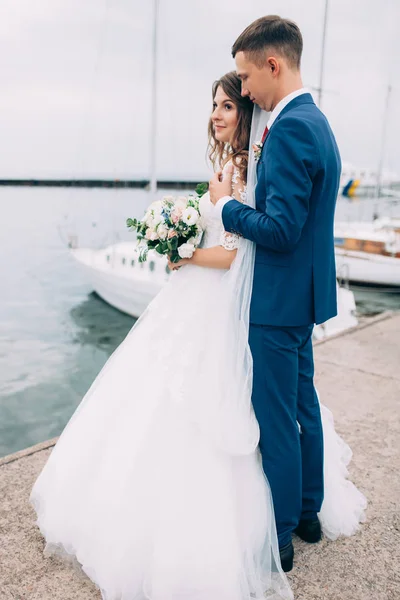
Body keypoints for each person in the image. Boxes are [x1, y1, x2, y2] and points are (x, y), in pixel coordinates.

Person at [29, 71, 295, 600]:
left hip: (213, 303)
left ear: (246, 112)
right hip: (193, 296)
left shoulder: (244, 169)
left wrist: (186, 252)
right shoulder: (225, 164)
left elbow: (237, 255)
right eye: (213, 105)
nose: (217, 114)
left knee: (192, 401)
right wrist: (181, 230)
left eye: (227, 106)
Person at [209, 15, 365, 571]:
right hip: (302, 295)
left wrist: (226, 209)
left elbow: (281, 230)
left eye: (246, 77)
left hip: (277, 301)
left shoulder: (294, 126)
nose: (243, 89)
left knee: (276, 415)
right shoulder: (311, 118)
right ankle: (307, 512)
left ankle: (279, 533)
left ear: (272, 65)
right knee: (303, 407)